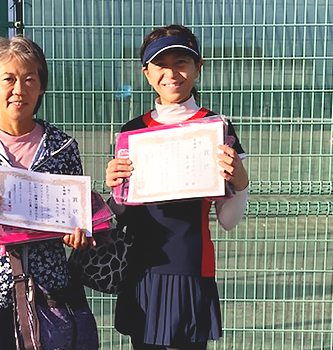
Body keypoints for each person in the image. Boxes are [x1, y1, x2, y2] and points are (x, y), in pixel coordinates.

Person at [0, 36, 96, 350]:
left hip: (50, 293)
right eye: (8, 79)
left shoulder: (62, 148)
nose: (19, 89)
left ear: (41, 87)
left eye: (29, 79)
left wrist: (76, 235)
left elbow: (75, 216)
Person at [105, 25, 249, 350]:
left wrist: (241, 182)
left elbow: (228, 219)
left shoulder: (216, 127)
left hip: (189, 265)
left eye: (181, 61)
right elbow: (121, 210)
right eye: (160, 64)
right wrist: (113, 186)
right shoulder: (132, 132)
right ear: (146, 73)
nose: (172, 73)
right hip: (140, 266)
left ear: (199, 67)